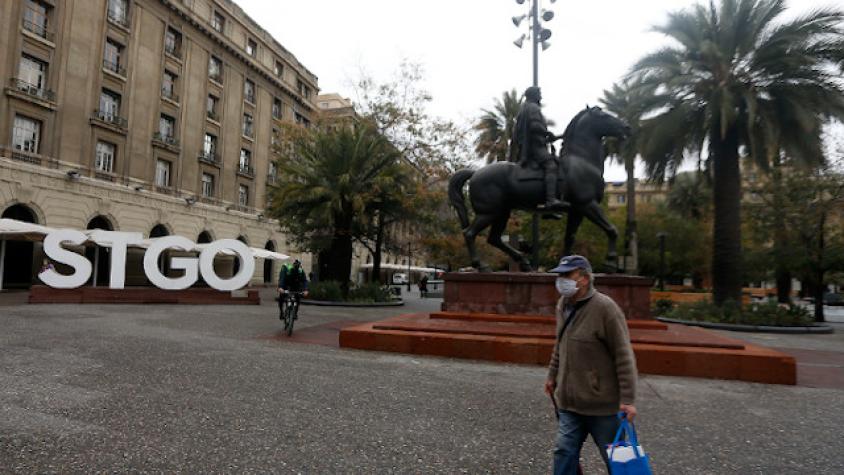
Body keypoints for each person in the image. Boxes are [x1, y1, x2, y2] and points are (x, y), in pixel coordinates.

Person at [544, 255, 638, 475]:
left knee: (617, 460)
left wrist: (628, 400)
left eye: (567, 275)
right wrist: (552, 375)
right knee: (564, 451)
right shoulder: (563, 306)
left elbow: (623, 355)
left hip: (602, 406)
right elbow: (560, 344)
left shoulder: (606, 308)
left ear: (584, 278)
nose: (561, 280)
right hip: (569, 403)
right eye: (559, 275)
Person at [513, 86, 569, 211]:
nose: (541, 96)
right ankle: (551, 200)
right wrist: (548, 133)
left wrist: (548, 136)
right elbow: (534, 126)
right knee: (551, 165)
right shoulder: (533, 107)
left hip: (533, 145)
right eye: (539, 94)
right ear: (533, 95)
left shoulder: (525, 108)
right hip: (534, 148)